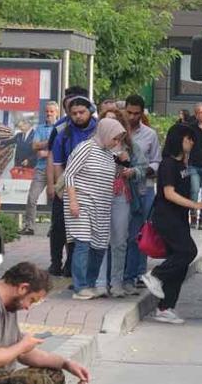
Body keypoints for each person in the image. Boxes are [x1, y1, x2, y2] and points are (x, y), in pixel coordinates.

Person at [0, 262, 89, 384]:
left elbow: (24, 354)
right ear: (23, 288)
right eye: (32, 300)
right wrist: (23, 345)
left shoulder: (10, 305)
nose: (28, 307)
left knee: (54, 372)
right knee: (40, 381)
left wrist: (66, 363)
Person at [140, 124, 202, 324]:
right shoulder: (168, 164)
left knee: (180, 264)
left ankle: (165, 308)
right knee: (188, 252)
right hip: (166, 217)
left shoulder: (184, 165)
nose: (191, 142)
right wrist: (196, 205)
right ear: (177, 140)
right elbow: (169, 193)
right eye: (187, 138)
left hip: (179, 217)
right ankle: (155, 275)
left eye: (192, 139)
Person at [64, 118, 124, 300]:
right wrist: (73, 201)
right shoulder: (86, 148)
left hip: (102, 206)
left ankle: (90, 283)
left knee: (99, 246)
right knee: (82, 243)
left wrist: (123, 163)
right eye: (115, 138)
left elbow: (113, 177)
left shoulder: (108, 154)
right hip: (82, 203)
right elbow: (69, 174)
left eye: (119, 139)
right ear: (106, 133)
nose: (116, 142)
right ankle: (80, 286)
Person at [94, 108, 148, 298]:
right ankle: (100, 282)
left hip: (122, 195)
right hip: (99, 194)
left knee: (120, 240)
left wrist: (131, 170)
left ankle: (116, 282)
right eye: (106, 122)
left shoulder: (130, 147)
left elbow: (143, 168)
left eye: (115, 122)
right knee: (100, 239)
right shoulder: (93, 146)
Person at [48, 88, 97, 277]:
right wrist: (57, 186)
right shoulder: (62, 130)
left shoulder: (99, 129)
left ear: (89, 109)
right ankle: (56, 263)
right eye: (73, 112)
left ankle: (73, 266)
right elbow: (56, 159)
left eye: (80, 112)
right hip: (67, 184)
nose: (77, 116)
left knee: (83, 230)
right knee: (60, 225)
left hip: (92, 186)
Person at [122, 95, 161, 294]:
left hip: (144, 188)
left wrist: (143, 171)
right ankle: (123, 274)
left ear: (142, 113)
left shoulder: (150, 135)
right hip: (122, 189)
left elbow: (156, 161)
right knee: (123, 234)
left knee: (140, 233)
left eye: (136, 113)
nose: (132, 116)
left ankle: (138, 273)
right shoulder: (117, 132)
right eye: (129, 112)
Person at [20, 102, 59, 236]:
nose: (49, 114)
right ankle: (29, 226)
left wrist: (46, 151)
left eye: (51, 112)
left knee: (57, 199)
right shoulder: (40, 128)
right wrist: (50, 142)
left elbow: (61, 149)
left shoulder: (61, 127)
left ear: (57, 113)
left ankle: (54, 228)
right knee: (32, 198)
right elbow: (34, 146)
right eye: (47, 111)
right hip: (41, 168)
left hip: (56, 169)